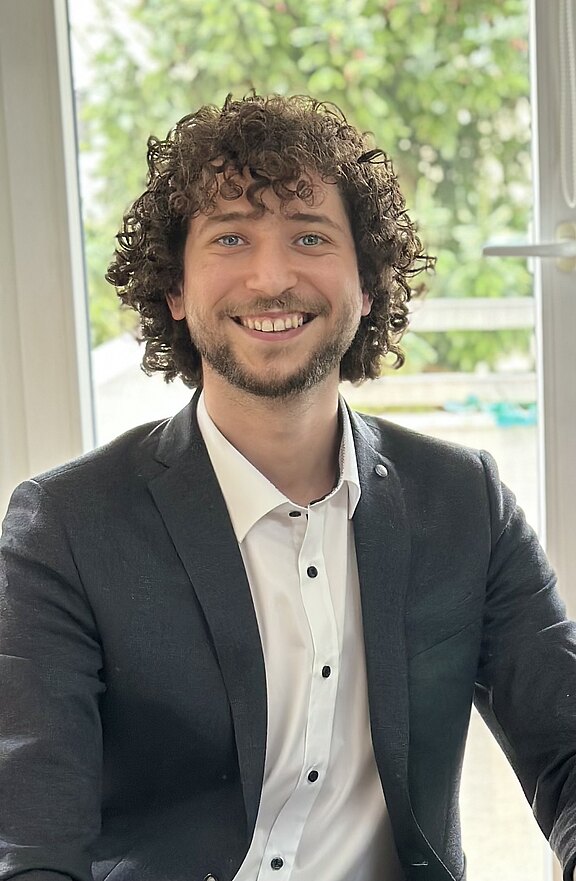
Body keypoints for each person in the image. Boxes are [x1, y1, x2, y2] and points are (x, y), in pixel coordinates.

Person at [0, 93, 575, 881]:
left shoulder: (465, 501)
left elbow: (567, 747)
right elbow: (32, 845)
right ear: (175, 288)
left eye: (309, 236)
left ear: (366, 284)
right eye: (230, 237)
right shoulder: (64, 527)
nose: (271, 277)